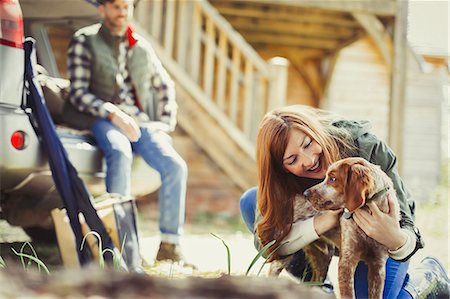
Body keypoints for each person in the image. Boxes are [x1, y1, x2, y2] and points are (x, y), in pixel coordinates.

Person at [240, 105, 450, 298]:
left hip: (378, 239)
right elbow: (266, 245)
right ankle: (319, 286)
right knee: (251, 200)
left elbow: (406, 223)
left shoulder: (365, 148)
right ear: (282, 168)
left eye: (308, 144)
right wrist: (321, 223)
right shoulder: (281, 181)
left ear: (315, 132)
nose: (309, 160)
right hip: (331, 236)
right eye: (292, 159)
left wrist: (394, 239)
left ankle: (430, 278)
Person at [66, 0, 188, 264]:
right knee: (119, 152)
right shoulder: (84, 40)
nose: (122, 12)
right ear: (102, 9)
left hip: (139, 122)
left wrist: (165, 122)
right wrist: (112, 112)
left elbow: (164, 84)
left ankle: (170, 245)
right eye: (115, 6)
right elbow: (77, 93)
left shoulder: (141, 47)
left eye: (126, 6)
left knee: (175, 166)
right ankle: (121, 244)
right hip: (100, 118)